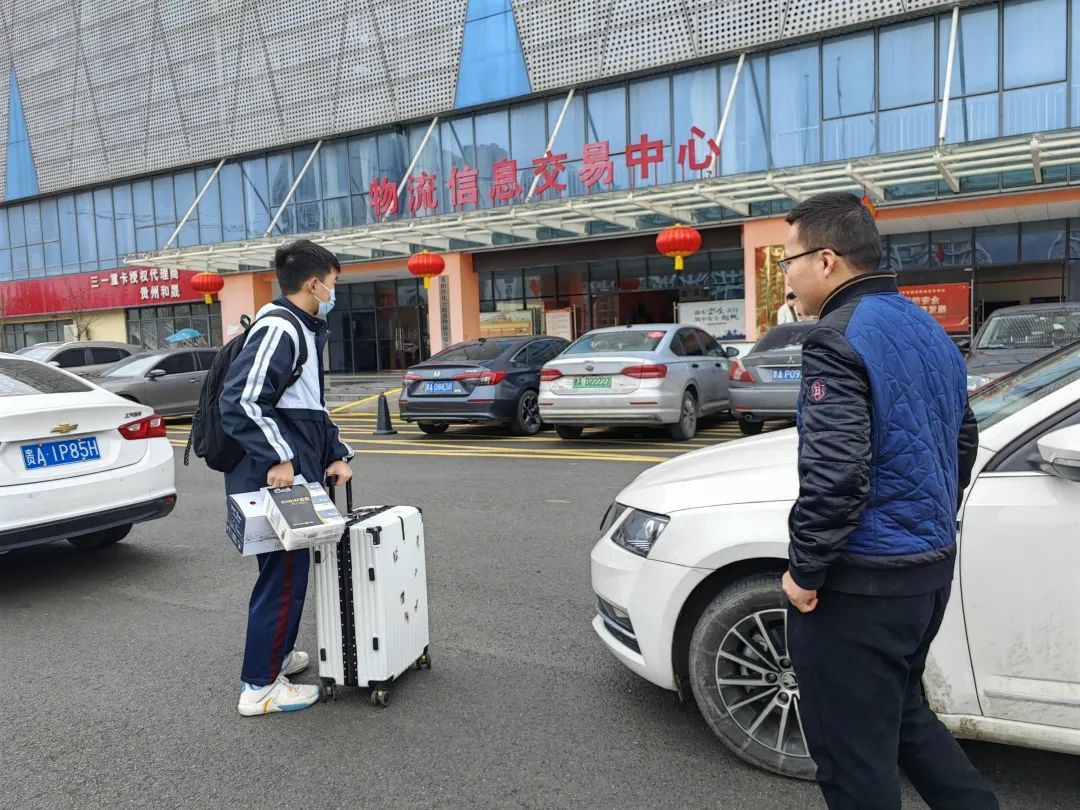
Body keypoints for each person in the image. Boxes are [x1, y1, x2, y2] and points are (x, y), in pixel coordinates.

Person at [778, 192, 997, 808]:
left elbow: (836, 474)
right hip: (926, 572)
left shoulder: (835, 337)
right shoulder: (926, 328)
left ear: (826, 260)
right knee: (904, 719)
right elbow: (962, 437)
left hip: (862, 584)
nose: (787, 277)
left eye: (789, 261)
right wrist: (927, 519)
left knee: (853, 763)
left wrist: (805, 570)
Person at [220, 239, 354, 717]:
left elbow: (309, 408)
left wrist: (336, 454)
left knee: (285, 574)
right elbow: (240, 400)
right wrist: (279, 458)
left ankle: (274, 658)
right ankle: (259, 688)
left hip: (289, 474)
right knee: (283, 578)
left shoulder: (300, 328)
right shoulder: (281, 327)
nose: (334, 292)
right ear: (314, 283)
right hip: (275, 478)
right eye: (333, 283)